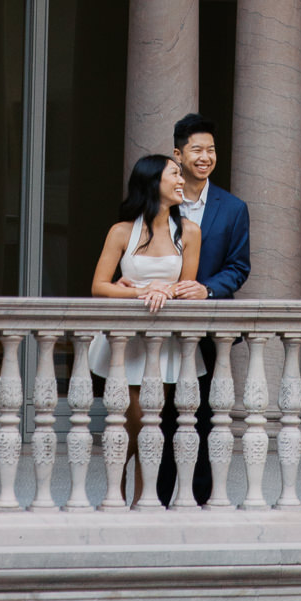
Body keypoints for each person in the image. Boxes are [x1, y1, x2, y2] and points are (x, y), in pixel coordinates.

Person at [90, 154, 201, 502]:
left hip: (163, 344)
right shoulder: (121, 231)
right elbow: (99, 286)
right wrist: (142, 292)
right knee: (128, 426)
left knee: (150, 425)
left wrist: (166, 290)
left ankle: (142, 503)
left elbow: (187, 286)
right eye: (174, 174)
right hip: (124, 345)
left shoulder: (190, 232)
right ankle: (115, 498)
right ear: (153, 182)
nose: (182, 181)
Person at [156, 115, 250, 508]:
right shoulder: (159, 203)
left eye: (211, 150)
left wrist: (207, 289)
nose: (205, 157)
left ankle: (201, 497)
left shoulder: (233, 208)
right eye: (197, 149)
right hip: (160, 326)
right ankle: (158, 497)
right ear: (178, 154)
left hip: (209, 329)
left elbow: (239, 267)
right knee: (158, 416)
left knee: (207, 415)